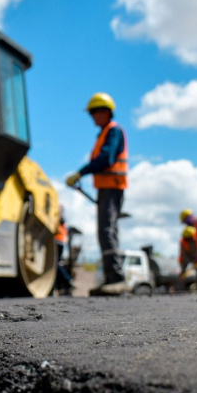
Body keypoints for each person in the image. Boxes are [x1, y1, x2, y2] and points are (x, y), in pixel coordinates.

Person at [65, 92, 129, 295]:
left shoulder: (113, 131)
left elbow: (106, 159)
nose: (92, 117)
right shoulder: (104, 133)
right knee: (107, 231)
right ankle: (111, 278)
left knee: (106, 231)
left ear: (106, 112)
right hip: (106, 187)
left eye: (94, 112)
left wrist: (80, 172)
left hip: (112, 187)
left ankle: (117, 279)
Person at [177, 226, 197, 293]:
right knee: (183, 272)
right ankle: (180, 289)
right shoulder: (183, 241)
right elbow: (183, 254)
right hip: (186, 257)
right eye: (187, 238)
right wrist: (189, 260)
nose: (189, 239)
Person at [54, 210, 73, 296]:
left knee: (56, 263)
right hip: (60, 243)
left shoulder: (61, 222)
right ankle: (58, 284)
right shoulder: (65, 225)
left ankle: (67, 279)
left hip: (58, 243)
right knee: (57, 263)